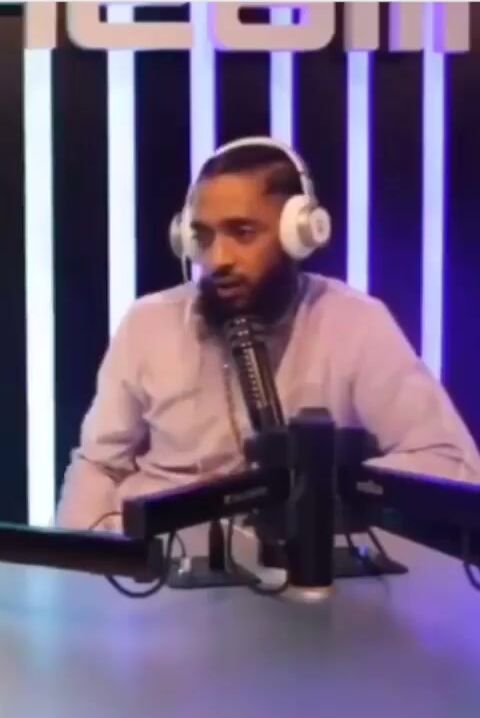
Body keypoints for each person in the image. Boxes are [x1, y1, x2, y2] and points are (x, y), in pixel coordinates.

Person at [55, 136, 480, 532]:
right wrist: (81, 564)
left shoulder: (355, 323)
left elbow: (449, 463)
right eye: (203, 237)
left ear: (299, 234)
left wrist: (326, 489)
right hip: (162, 559)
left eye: (242, 233)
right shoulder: (148, 323)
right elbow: (99, 465)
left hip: (304, 562)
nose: (218, 259)